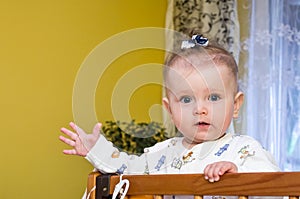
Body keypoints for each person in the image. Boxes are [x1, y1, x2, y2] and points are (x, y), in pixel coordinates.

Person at [59, 35, 280, 197]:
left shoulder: (244, 150)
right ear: (170, 109)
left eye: (213, 97)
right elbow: (128, 168)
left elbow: (277, 187)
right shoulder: (162, 153)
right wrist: (96, 149)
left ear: (235, 105)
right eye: (186, 100)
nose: (200, 109)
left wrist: (239, 174)